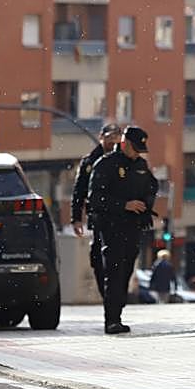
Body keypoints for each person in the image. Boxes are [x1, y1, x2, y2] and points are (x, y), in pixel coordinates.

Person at [88, 125, 158, 334]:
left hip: (133, 227)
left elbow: (151, 187)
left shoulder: (141, 165)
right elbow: (95, 198)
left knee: (126, 271)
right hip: (111, 226)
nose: (137, 153)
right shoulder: (106, 164)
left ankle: (117, 308)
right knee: (114, 272)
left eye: (140, 150)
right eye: (134, 148)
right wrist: (124, 205)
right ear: (124, 144)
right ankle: (112, 320)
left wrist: (146, 207)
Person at [71, 122, 121, 299]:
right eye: (109, 138)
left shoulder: (124, 160)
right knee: (98, 260)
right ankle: (108, 298)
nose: (112, 143)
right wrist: (76, 218)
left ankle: (116, 298)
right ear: (101, 137)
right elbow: (79, 191)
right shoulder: (90, 162)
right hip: (98, 217)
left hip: (121, 219)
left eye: (116, 139)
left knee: (120, 260)